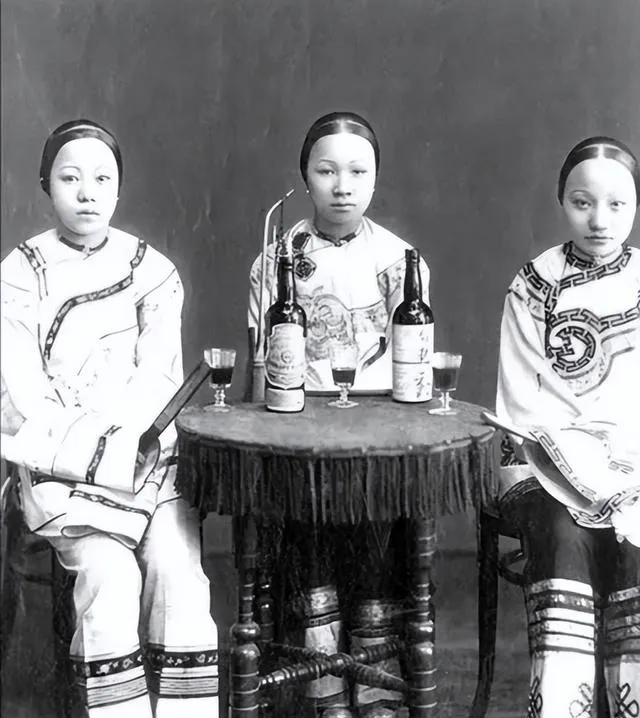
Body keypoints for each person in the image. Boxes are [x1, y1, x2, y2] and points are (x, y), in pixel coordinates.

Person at [0, 119, 219, 718]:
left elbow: (158, 383)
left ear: (120, 188)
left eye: (102, 179)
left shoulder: (152, 270)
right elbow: (20, 395)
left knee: (178, 572)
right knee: (111, 575)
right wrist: (94, 440)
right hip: (59, 462)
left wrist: (124, 439)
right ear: (46, 186)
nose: (87, 193)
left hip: (146, 459)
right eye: (70, 178)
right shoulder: (19, 273)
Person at [248, 112, 431, 718]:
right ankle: (323, 682)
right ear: (305, 176)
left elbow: (414, 372)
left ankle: (376, 684)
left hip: (380, 440)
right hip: (300, 439)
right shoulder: (277, 261)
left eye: (358, 172)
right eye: (327, 171)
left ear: (377, 179)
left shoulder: (401, 260)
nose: (343, 187)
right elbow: (261, 374)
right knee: (311, 538)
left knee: (377, 545)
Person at [495, 136, 640, 717]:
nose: (599, 220)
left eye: (617, 205)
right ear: (562, 202)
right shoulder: (534, 284)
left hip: (633, 460)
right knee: (563, 531)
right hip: (547, 460)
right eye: (583, 203)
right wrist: (587, 464)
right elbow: (524, 400)